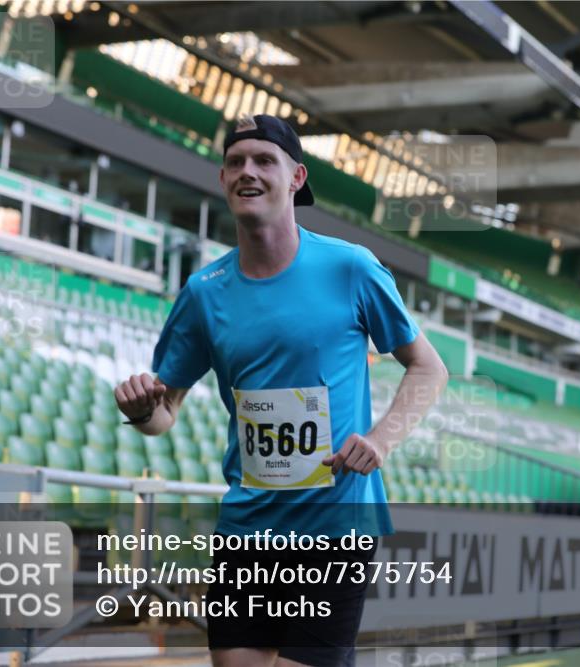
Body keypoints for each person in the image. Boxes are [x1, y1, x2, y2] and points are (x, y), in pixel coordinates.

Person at [114, 113, 449, 667]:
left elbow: (428, 367)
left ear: (296, 178)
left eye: (265, 160)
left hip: (334, 530)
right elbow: (163, 413)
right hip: (247, 528)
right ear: (222, 179)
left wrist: (382, 440)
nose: (249, 172)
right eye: (236, 162)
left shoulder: (351, 268)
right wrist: (142, 410)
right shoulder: (204, 292)